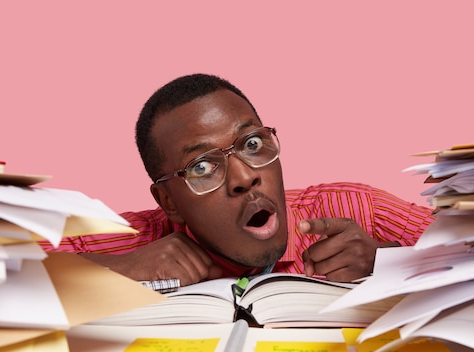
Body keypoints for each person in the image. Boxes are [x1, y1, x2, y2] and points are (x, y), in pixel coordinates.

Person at [42, 73, 434, 287]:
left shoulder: (354, 209)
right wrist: (119, 269)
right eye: (201, 166)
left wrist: (390, 262)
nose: (245, 178)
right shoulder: (130, 240)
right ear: (169, 202)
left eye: (251, 143)